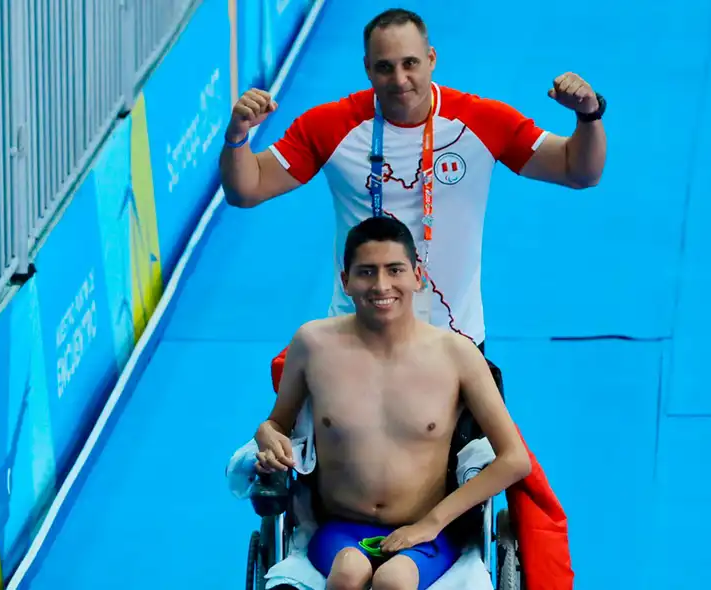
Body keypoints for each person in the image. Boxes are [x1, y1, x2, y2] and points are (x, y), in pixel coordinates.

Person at [225, 8, 594, 588]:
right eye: (384, 68)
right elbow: (245, 188)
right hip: (347, 346)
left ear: (432, 62)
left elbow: (578, 169)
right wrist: (238, 136)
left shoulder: (480, 121)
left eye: (410, 64)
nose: (399, 79)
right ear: (367, 70)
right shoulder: (331, 125)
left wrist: (589, 117)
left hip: (452, 351)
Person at [254, 216, 532, 590]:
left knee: (395, 580)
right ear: (346, 282)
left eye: (394, 270)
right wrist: (266, 436)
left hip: (426, 532)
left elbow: (515, 459)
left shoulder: (457, 355)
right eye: (366, 272)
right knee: (350, 571)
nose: (381, 285)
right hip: (340, 530)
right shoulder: (313, 345)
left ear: (417, 276)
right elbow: (276, 423)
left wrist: (430, 524)